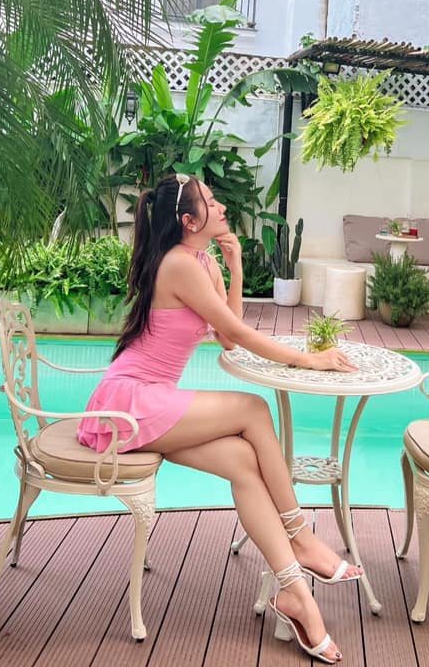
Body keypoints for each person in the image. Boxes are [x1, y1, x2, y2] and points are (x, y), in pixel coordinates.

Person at [78, 173, 361, 664]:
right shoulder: (177, 264)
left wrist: (233, 266)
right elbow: (240, 334)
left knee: (243, 462)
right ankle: (301, 537)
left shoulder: (202, 261)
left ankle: (295, 593)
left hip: (153, 400)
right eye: (210, 201)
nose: (222, 205)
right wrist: (310, 359)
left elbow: (227, 337)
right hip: (131, 401)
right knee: (253, 409)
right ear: (190, 221)